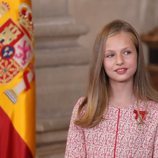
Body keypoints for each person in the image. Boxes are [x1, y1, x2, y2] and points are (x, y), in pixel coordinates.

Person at [65, 19, 158, 158]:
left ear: (138, 56)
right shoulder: (84, 109)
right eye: (110, 55)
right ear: (101, 61)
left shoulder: (154, 112)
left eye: (127, 52)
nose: (119, 61)